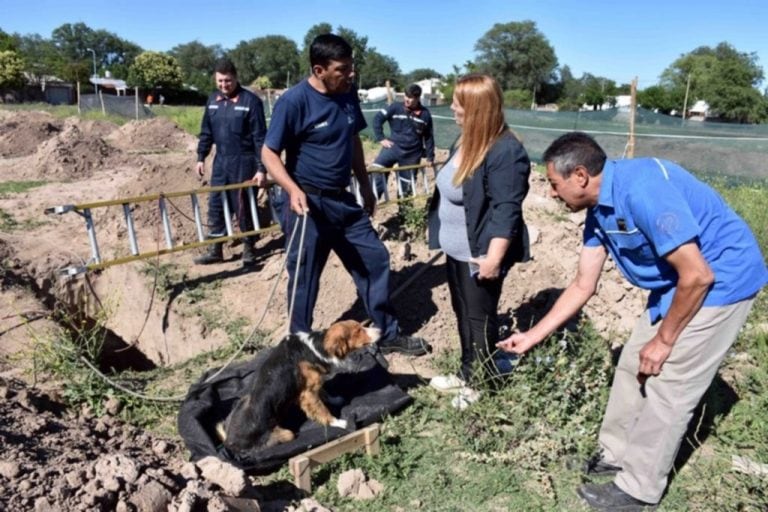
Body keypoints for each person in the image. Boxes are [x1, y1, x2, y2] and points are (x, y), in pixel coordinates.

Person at [496, 132, 768, 510]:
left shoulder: (643, 192)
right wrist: (532, 336)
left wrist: (665, 340)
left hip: (720, 280)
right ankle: (614, 455)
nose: (553, 194)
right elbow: (581, 285)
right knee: (631, 365)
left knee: (670, 384)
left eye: (554, 185)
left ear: (579, 176)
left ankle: (638, 489)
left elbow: (699, 275)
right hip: (679, 283)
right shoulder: (598, 210)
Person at [261, 33, 430, 356]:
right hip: (307, 204)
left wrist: (365, 185)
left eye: (351, 67)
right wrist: (292, 189)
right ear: (319, 69)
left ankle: (386, 333)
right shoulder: (294, 101)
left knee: (375, 258)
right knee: (305, 275)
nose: (350, 74)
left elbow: (353, 139)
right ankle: (299, 346)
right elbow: (269, 153)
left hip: (342, 200)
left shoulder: (348, 94)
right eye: (342, 69)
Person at [426, 74, 530, 410]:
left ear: (477, 108)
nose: (453, 107)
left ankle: (481, 383)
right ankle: (468, 368)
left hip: (482, 252)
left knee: (479, 316)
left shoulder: (505, 150)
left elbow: (506, 209)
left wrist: (493, 258)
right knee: (462, 310)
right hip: (457, 249)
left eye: (459, 102)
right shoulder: (465, 141)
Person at [195, 58, 267, 267]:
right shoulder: (213, 101)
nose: (224, 85)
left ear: (235, 78)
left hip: (244, 161)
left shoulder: (250, 101)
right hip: (221, 161)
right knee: (216, 203)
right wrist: (201, 157)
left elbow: (260, 139)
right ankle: (216, 248)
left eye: (227, 81)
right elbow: (206, 132)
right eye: (220, 81)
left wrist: (261, 169)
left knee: (243, 204)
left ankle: (249, 247)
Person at [370, 83, 435, 199]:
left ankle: (404, 214)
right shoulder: (395, 107)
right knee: (377, 171)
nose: (407, 99)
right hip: (392, 148)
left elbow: (429, 136)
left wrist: (430, 156)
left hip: (412, 155)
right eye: (406, 96)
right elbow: (377, 119)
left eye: (410, 97)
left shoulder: (425, 114)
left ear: (417, 98)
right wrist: (381, 138)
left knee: (406, 187)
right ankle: (369, 207)